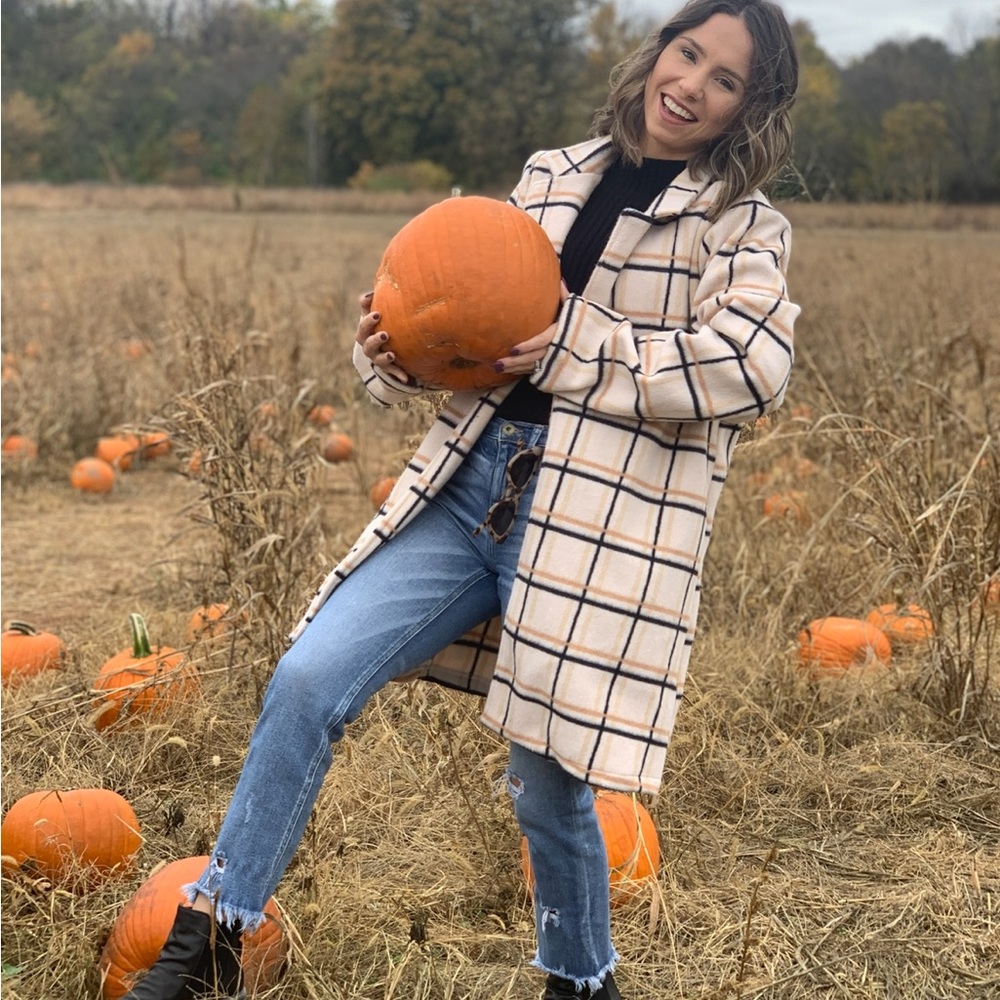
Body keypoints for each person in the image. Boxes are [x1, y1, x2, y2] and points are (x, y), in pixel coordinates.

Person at [125, 1, 799, 997]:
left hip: (593, 526)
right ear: (659, 52)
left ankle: (579, 981)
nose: (690, 83)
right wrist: (389, 352)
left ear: (750, 107)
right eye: (685, 52)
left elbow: (752, 364)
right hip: (473, 488)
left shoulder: (740, 229)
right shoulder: (553, 176)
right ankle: (210, 933)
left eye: (724, 78)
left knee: (548, 779)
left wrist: (582, 350)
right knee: (310, 678)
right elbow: (470, 327)